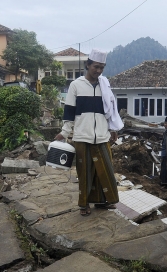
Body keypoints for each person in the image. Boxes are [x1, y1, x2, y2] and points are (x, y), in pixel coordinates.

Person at [54, 49, 123, 216]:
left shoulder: (104, 85)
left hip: (101, 136)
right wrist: (64, 132)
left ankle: (102, 201)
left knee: (105, 170)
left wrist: (112, 129)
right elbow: (70, 112)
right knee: (84, 172)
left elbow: (110, 110)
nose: (98, 71)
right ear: (88, 65)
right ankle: (84, 204)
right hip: (81, 136)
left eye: (102, 68)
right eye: (96, 67)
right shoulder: (76, 85)